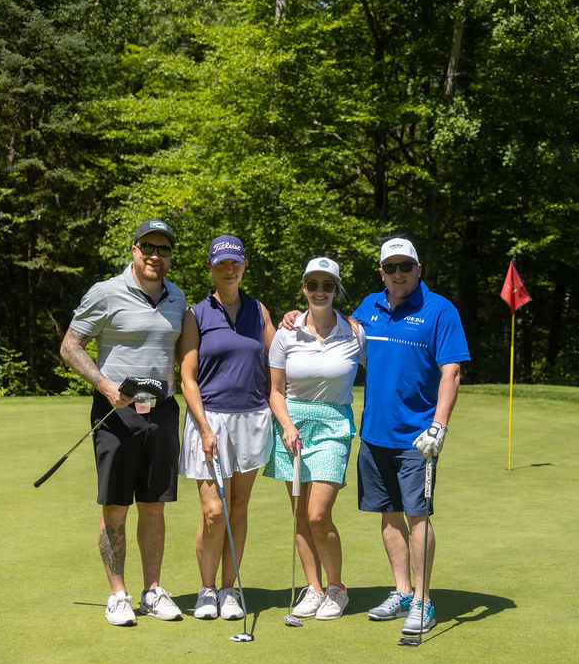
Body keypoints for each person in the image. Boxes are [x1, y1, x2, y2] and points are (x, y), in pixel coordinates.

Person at [280, 236, 470, 635]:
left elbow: (451, 372)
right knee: (389, 515)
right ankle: (402, 592)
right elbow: (328, 322)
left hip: (418, 436)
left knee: (417, 517)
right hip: (374, 434)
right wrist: (295, 314)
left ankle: (423, 600)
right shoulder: (368, 309)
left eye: (405, 266)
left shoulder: (440, 310)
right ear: (382, 273)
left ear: (418, 269)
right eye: (391, 267)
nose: (398, 274)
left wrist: (439, 425)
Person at [59, 219, 187, 626]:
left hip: (161, 410)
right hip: (117, 412)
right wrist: (105, 386)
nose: (155, 255)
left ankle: (153, 591)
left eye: (163, 249)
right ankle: (118, 595)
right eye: (148, 247)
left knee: (154, 506)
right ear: (134, 249)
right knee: (115, 505)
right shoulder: (106, 292)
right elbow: (70, 345)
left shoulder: (177, 297)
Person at [177, 235, 276, 622]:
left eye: (235, 263)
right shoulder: (196, 314)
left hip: (252, 418)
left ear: (244, 264)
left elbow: (280, 356)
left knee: (237, 507)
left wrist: (299, 320)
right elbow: (187, 378)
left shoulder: (258, 311)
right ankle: (207, 589)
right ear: (211, 268)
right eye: (221, 264)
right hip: (210, 419)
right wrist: (203, 426)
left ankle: (229, 589)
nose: (229, 269)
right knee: (214, 511)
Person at [265, 256, 365, 621]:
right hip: (291, 426)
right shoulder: (286, 333)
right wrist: (287, 425)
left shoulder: (355, 332)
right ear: (304, 289)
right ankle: (314, 587)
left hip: (333, 426)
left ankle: (336, 588)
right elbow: (275, 391)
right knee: (300, 516)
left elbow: (385, 365)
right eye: (312, 285)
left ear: (336, 290)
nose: (319, 291)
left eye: (327, 285)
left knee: (318, 514)